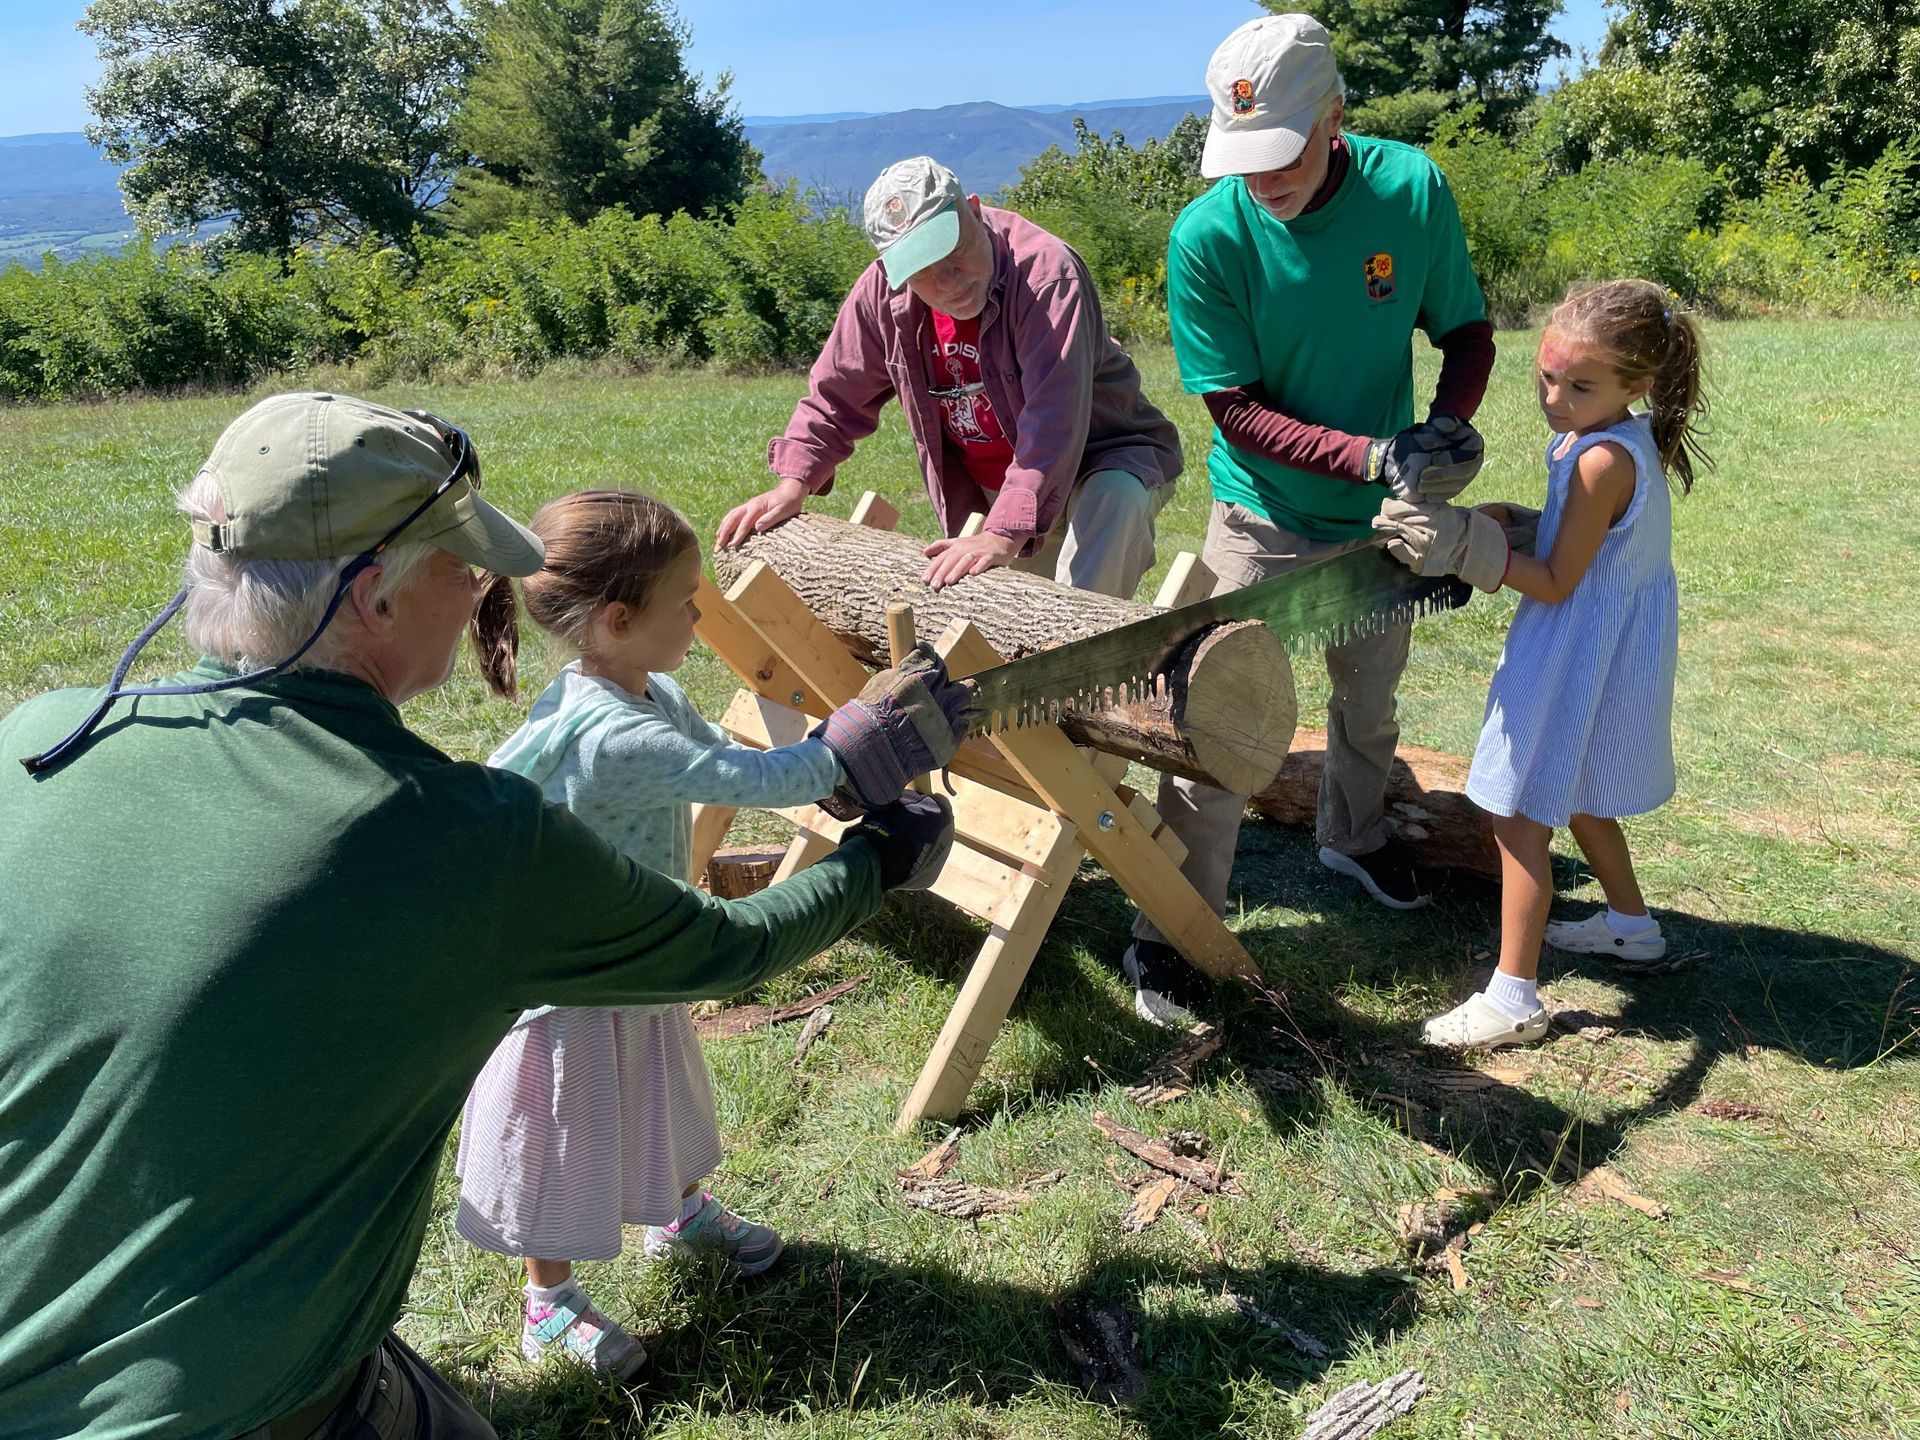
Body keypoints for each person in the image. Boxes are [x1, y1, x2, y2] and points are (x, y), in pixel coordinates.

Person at [0, 392, 965, 1439]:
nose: (483, 598)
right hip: (231, 1409)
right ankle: (554, 1300)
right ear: (371, 596)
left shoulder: (41, 740)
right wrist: (877, 862)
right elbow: (723, 951)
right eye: (463, 569)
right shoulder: (454, 837)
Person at [454, 489, 965, 1377]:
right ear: (618, 620)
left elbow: (757, 767)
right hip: (577, 972)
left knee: (659, 1088)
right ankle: (550, 1303)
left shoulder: (641, 686)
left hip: (638, 945)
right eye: (685, 603)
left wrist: (837, 759)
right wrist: (853, 749)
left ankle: (677, 1213)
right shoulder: (610, 733)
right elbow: (746, 779)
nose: (699, 614)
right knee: (561, 1136)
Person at [1121, 12, 1498, 1025]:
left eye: (1281, 152)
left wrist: (1441, 429)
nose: (1263, 179)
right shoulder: (1208, 239)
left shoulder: (1409, 191)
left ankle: (1355, 833)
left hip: (1383, 516)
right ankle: (1171, 925)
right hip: (1260, 512)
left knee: (1367, 702)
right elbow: (1233, 407)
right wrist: (1369, 452)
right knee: (1212, 722)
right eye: (1242, 158)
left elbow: (1465, 330)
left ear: (1335, 114)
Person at [1372, 279, 1708, 1047]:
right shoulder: (1606, 437)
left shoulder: (1600, 462)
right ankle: (1631, 925)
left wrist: (1467, 549)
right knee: (1583, 788)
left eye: (1579, 385)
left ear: (1637, 385)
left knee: (1519, 813)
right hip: (1604, 639)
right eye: (1546, 377)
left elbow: (1558, 580)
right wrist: (1517, 523)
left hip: (1576, 647)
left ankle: (1513, 997)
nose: (1555, 397)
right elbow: (1581, 540)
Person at [716, 155, 1183, 600]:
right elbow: (835, 396)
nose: (947, 281)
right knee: (1016, 624)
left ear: (974, 211)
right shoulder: (883, 295)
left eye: (953, 253)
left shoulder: (1046, 278)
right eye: (922, 273)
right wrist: (793, 483)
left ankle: (1094, 670)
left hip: (1100, 461)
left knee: (1100, 540)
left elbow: (1053, 421)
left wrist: (1003, 532)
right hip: (999, 486)